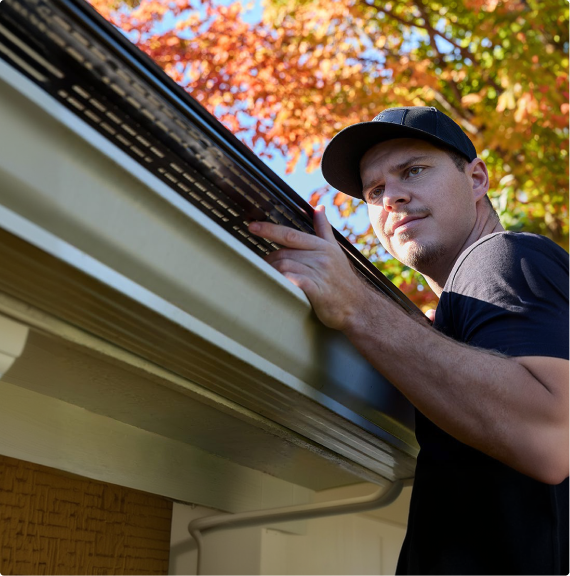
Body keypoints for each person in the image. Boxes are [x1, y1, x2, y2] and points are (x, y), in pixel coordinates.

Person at [248, 106, 570, 575]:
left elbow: (552, 438)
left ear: (477, 178)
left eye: (413, 171)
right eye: (374, 191)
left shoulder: (499, 258)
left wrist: (357, 306)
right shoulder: (458, 308)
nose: (390, 198)